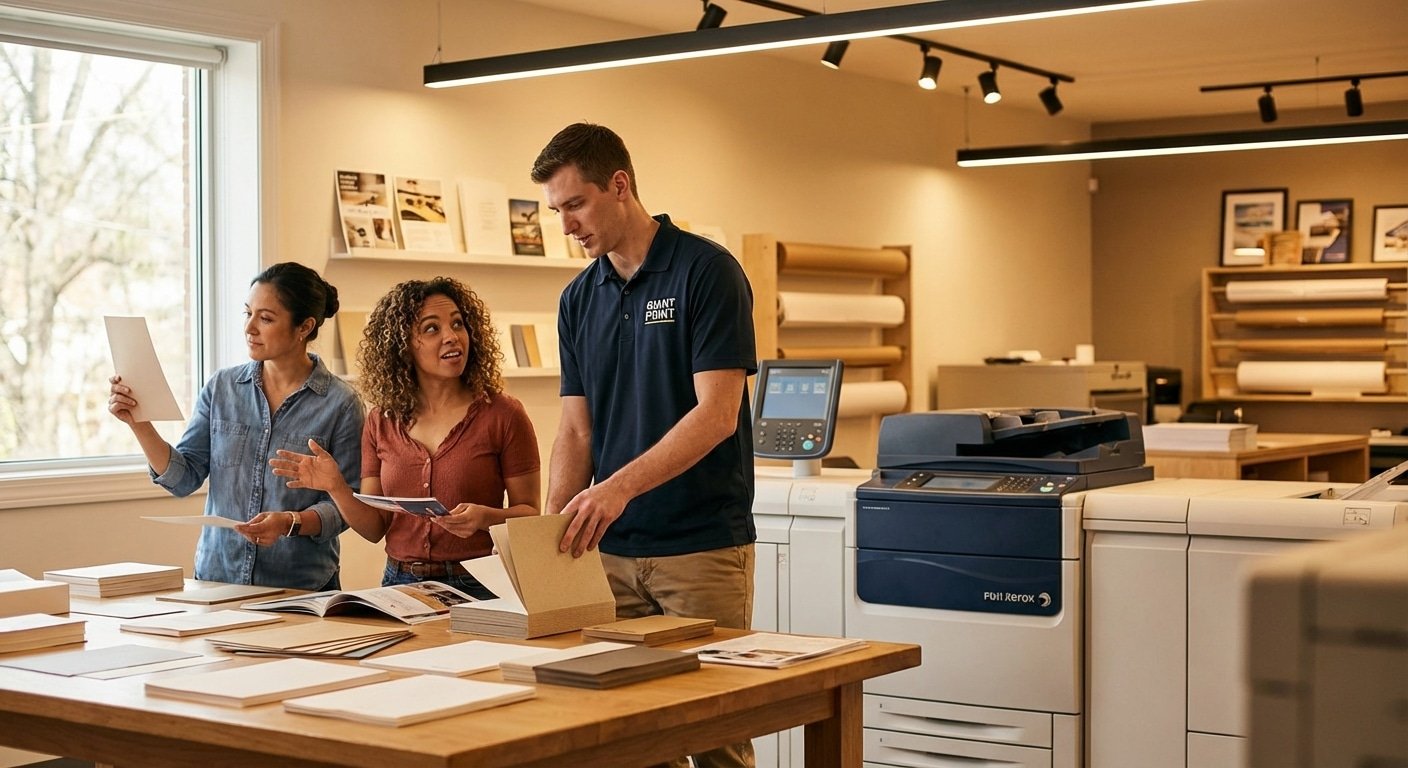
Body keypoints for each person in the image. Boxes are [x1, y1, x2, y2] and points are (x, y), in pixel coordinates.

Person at [531, 122, 757, 768]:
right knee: (629, 741)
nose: (567, 225)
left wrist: (618, 488)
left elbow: (716, 415)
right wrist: (551, 529)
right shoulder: (578, 299)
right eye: (557, 211)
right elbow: (575, 430)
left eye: (575, 204)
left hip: (701, 550)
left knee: (716, 737)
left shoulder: (706, 273)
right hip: (608, 557)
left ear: (620, 186)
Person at [270, 277, 540, 599]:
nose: (452, 337)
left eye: (458, 324)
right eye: (431, 329)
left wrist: (488, 519)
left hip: (480, 583)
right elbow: (374, 529)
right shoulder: (381, 421)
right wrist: (337, 488)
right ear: (403, 345)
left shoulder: (504, 414)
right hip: (400, 584)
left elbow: (530, 514)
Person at [107, 262, 362, 591]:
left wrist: (291, 523)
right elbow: (183, 479)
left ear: (304, 327)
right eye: (248, 313)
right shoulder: (222, 388)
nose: (250, 328)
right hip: (217, 581)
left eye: (266, 318)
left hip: (300, 588)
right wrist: (139, 423)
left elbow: (348, 507)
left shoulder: (340, 404)